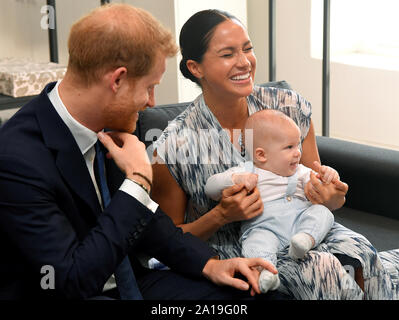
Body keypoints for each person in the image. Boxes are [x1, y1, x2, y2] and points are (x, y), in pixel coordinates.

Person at [0, 4, 281, 300]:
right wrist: (136, 184)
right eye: (149, 87)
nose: (151, 102)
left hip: (133, 281)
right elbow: (70, 278)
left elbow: (151, 223)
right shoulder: (17, 160)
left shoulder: (112, 122)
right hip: (73, 290)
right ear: (117, 80)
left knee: (256, 294)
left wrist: (210, 264)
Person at [152, 9, 395, 299]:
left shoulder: (287, 107)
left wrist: (330, 196)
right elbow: (166, 243)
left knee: (362, 251)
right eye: (228, 54)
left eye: (248, 49)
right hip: (249, 251)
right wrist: (220, 216)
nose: (244, 62)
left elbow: (321, 188)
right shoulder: (172, 146)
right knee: (322, 268)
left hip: (310, 229)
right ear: (196, 67)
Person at [205, 109, 340, 293]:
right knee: (255, 243)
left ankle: (305, 240)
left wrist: (329, 174)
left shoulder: (299, 171)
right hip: (264, 227)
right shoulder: (247, 171)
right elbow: (210, 188)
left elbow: (321, 183)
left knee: (323, 213)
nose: (298, 153)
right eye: (289, 147)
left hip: (300, 221)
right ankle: (267, 272)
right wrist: (235, 179)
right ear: (261, 155)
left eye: (298, 145)